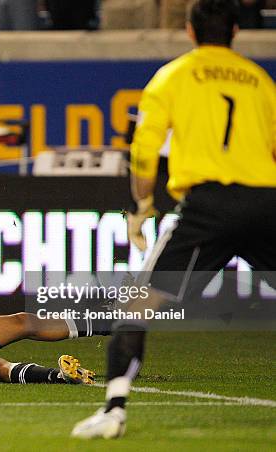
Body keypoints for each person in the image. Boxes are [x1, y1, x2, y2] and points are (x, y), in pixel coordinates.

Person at [72, 0, 276, 439]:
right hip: (267, 200)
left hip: (208, 207)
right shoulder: (261, 81)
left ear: (189, 31)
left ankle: (113, 410)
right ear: (236, 31)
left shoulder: (173, 76)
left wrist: (140, 206)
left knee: (137, 307)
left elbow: (144, 151)